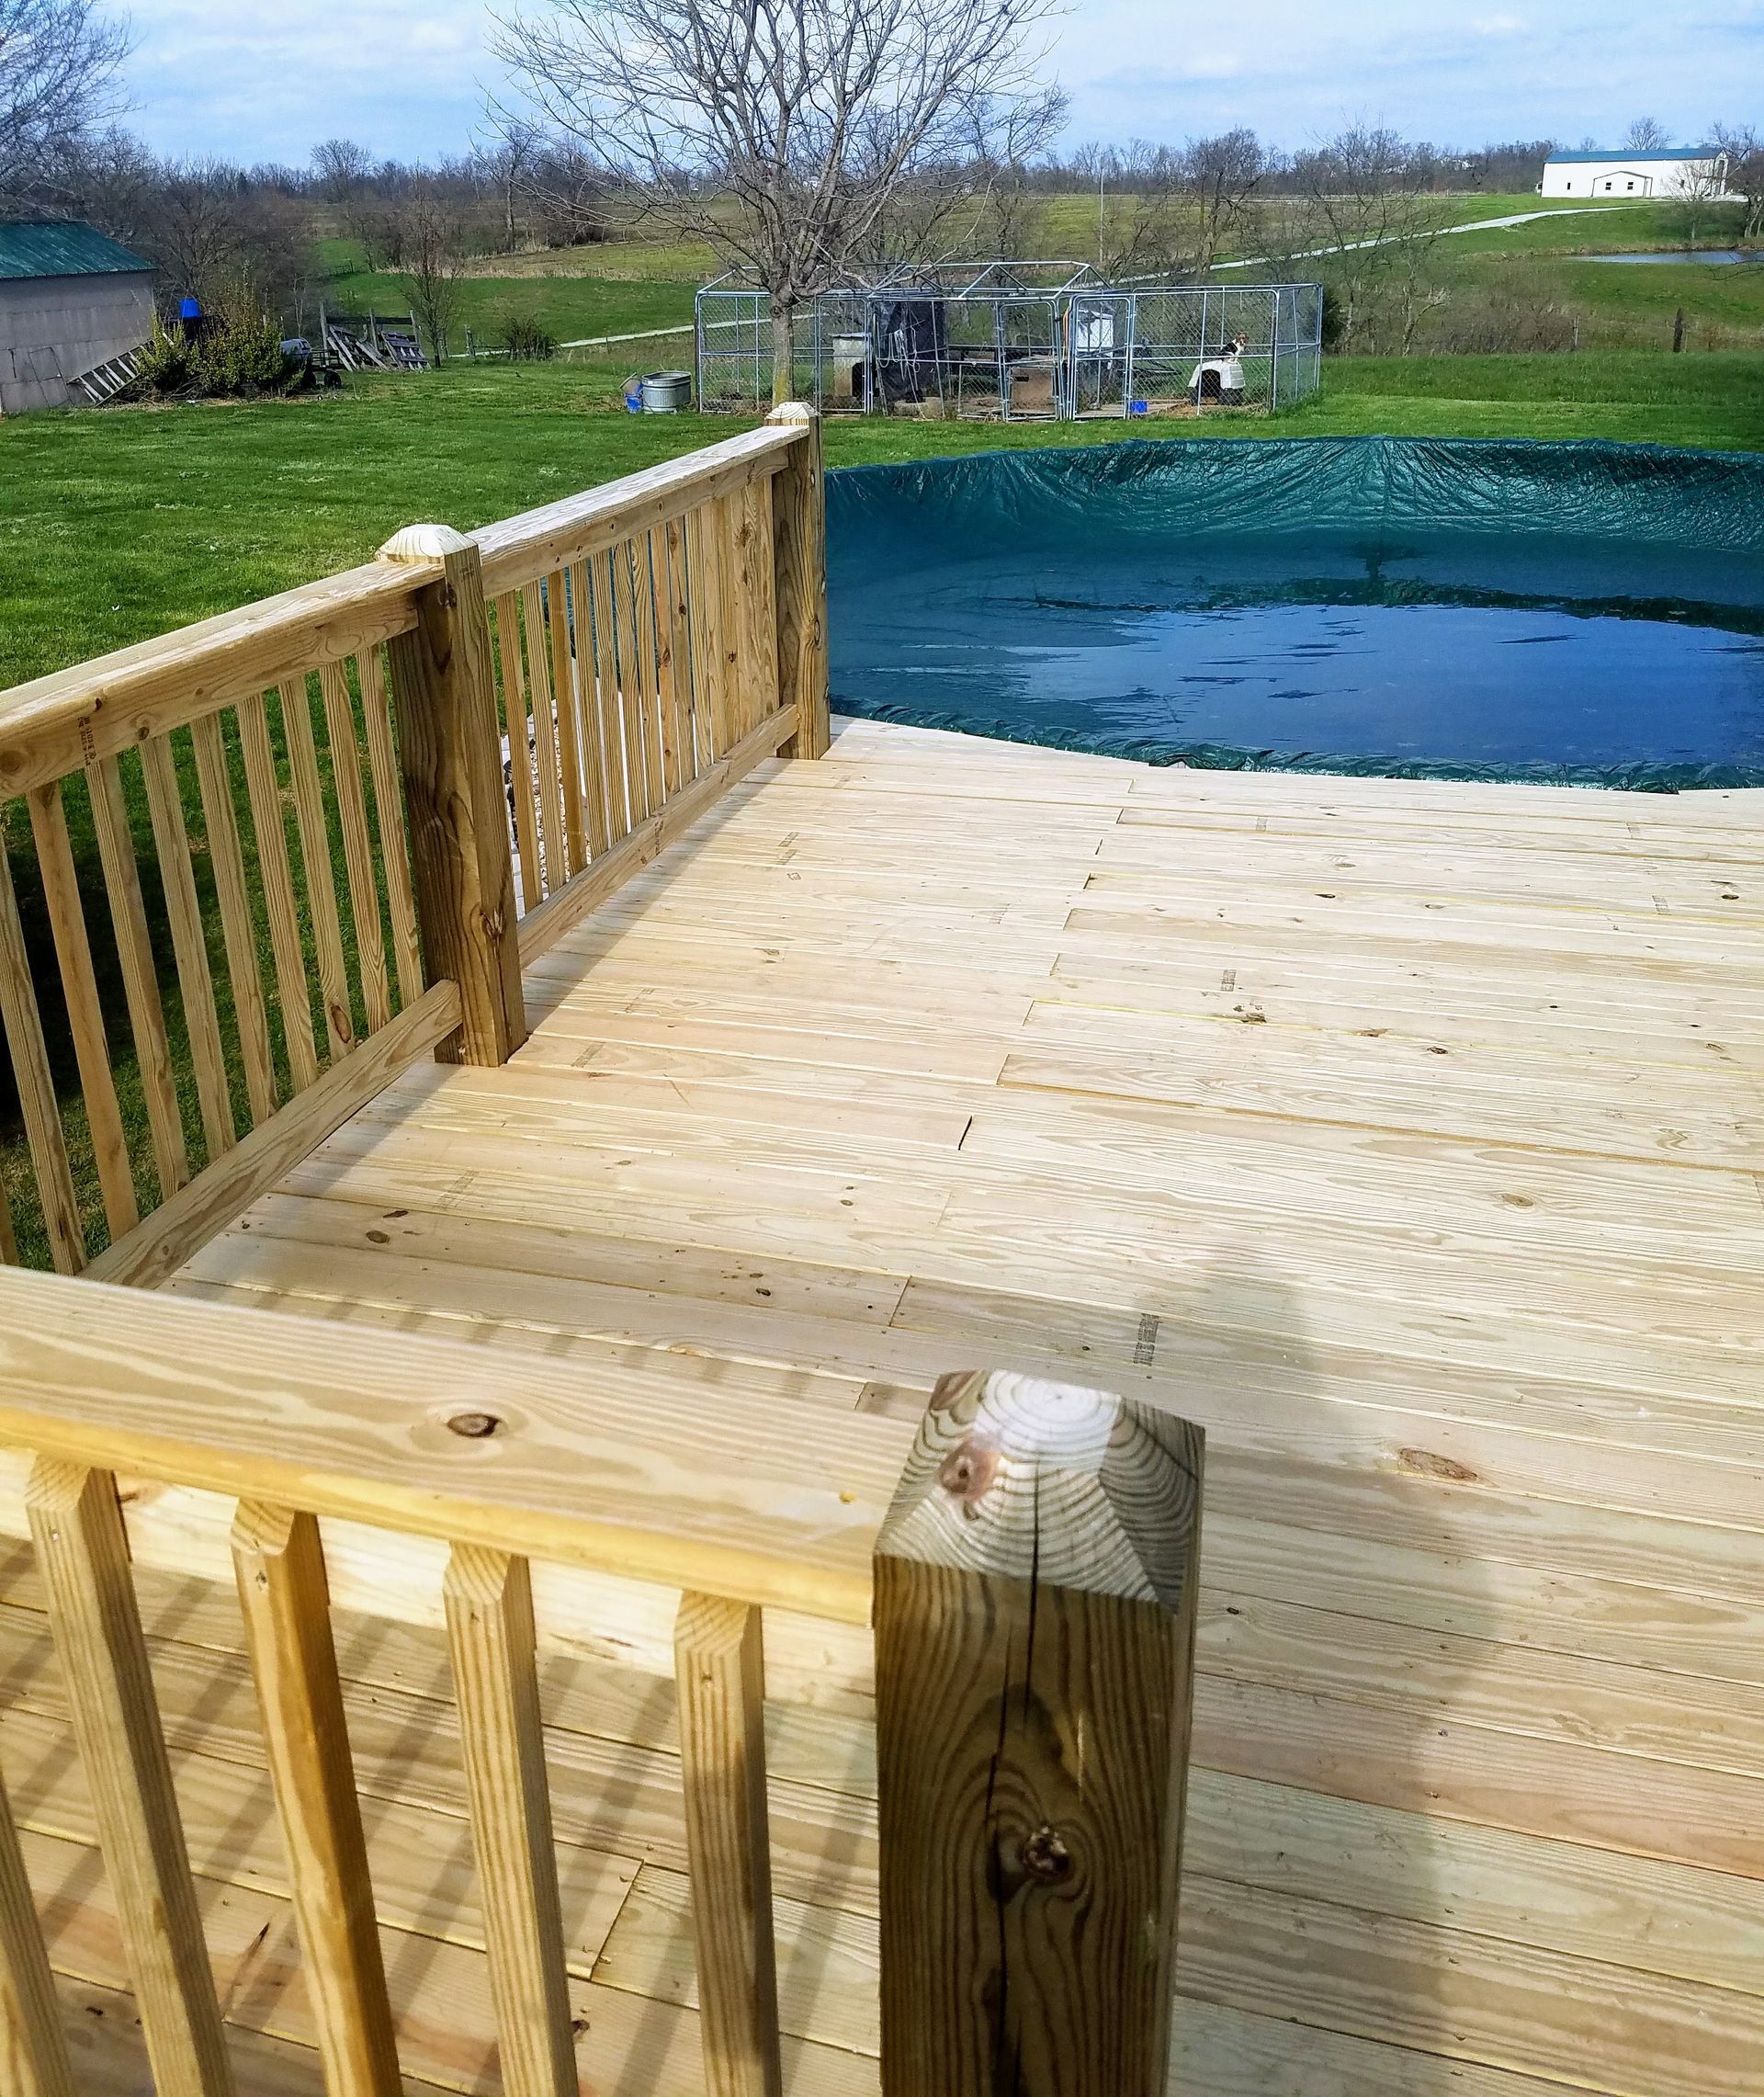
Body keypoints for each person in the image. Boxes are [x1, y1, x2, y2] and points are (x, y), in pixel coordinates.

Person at [1189, 336, 1247, 406]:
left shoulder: (1235, 344)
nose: (1242, 342)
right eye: (1241, 340)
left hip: (1226, 359)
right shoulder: (1235, 345)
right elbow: (1236, 354)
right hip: (1227, 357)